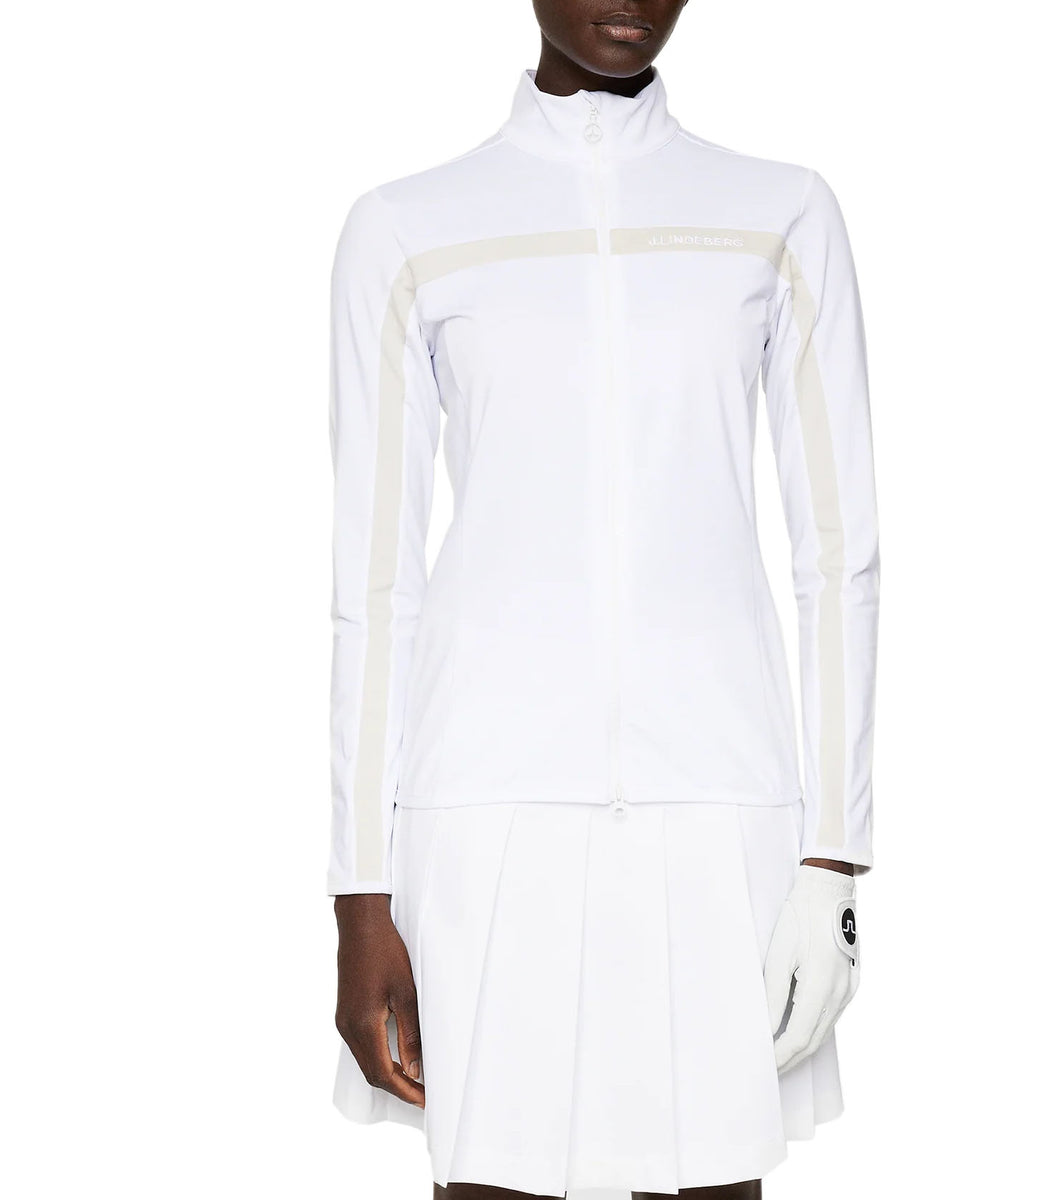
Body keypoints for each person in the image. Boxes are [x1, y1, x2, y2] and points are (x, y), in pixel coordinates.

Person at [326, 3, 880, 1198]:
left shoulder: (780, 214)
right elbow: (375, 584)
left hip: (718, 809)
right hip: (486, 813)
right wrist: (360, 892)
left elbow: (839, 556)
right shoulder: (409, 227)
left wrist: (835, 856)